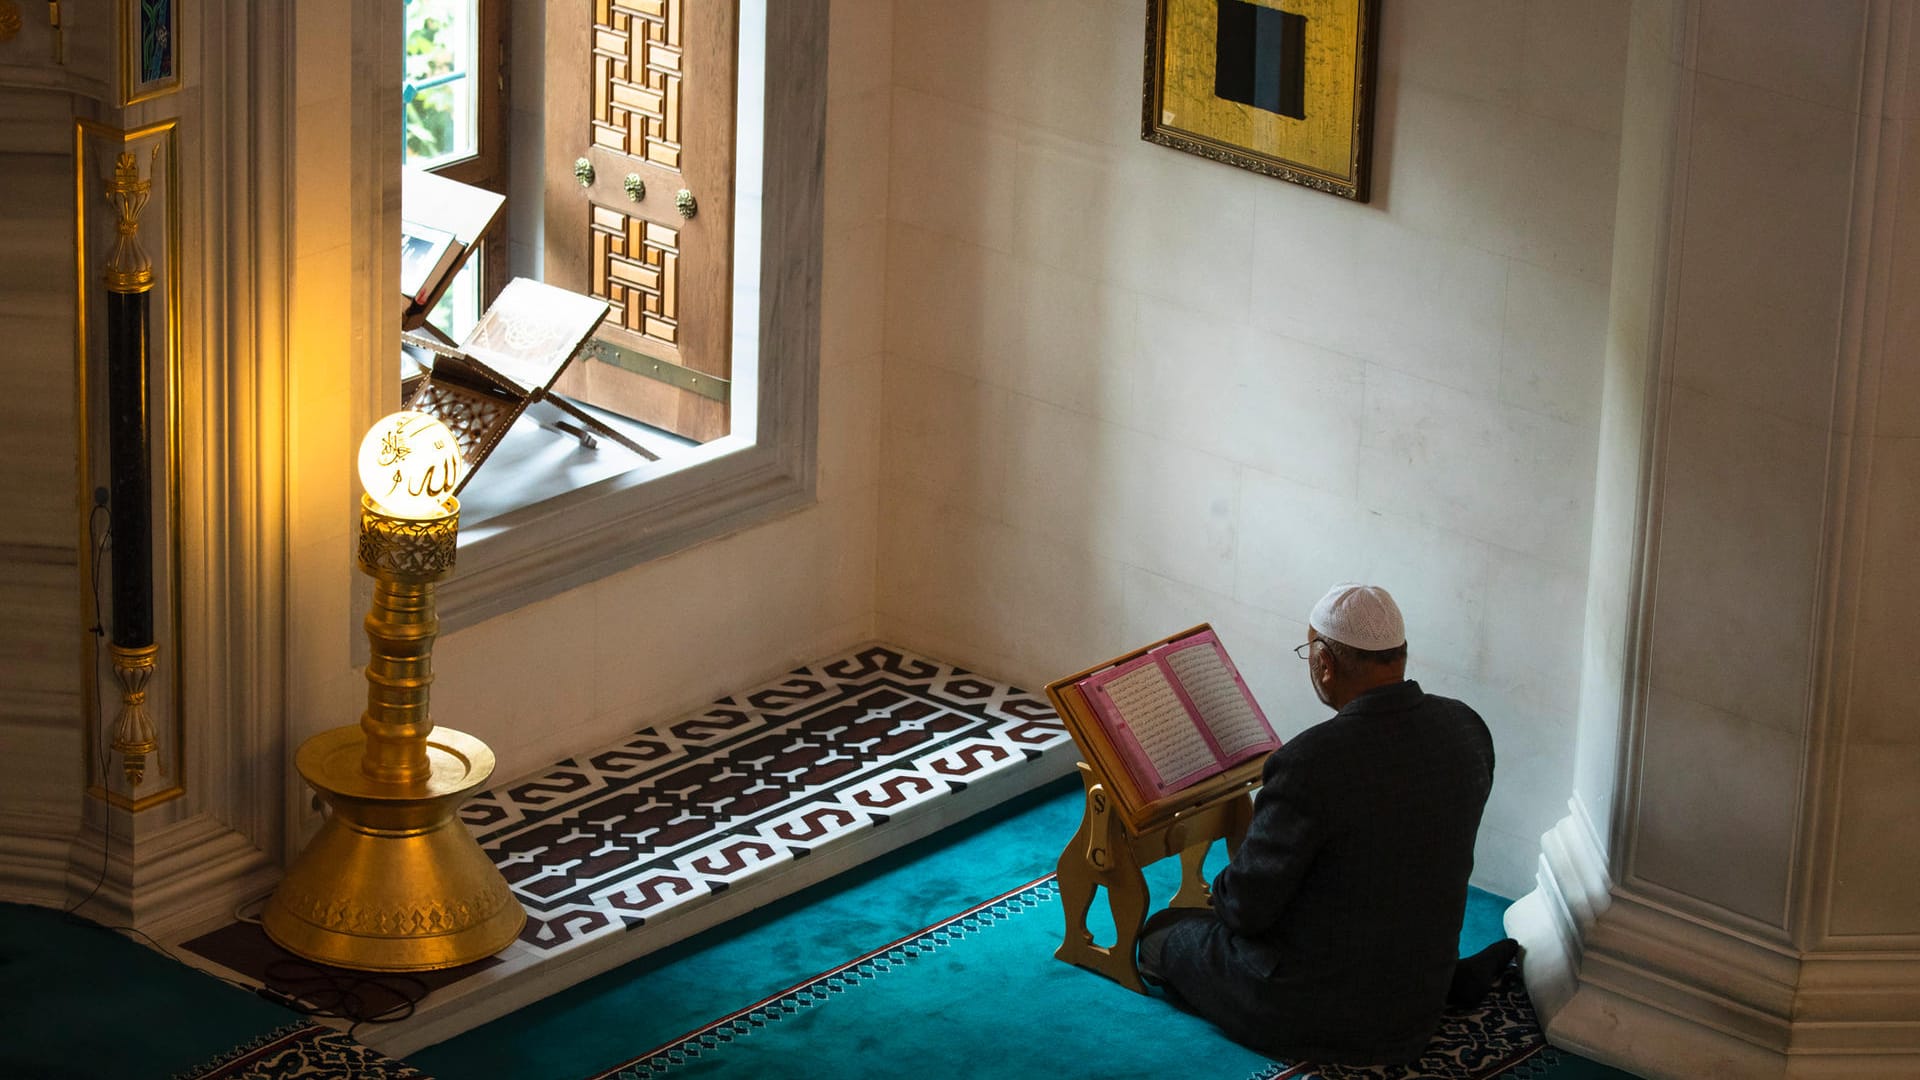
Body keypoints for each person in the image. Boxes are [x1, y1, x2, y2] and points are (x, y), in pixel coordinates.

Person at [1137, 583, 1516, 1066]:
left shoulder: (1310, 762)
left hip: (1320, 1010)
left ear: (1323, 662)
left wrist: (1223, 888)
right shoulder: (1466, 728)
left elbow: (1246, 911)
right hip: (1418, 991)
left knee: (1163, 934)